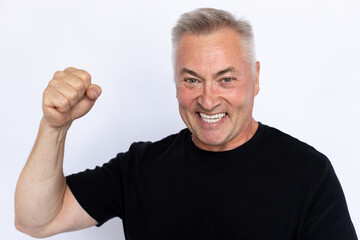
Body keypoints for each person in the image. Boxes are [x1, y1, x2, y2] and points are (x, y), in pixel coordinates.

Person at [15, 8, 357, 240]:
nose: (208, 101)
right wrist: (54, 127)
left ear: (254, 78)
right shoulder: (140, 167)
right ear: (175, 80)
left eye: (225, 79)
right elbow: (36, 219)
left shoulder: (308, 174)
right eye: (192, 80)